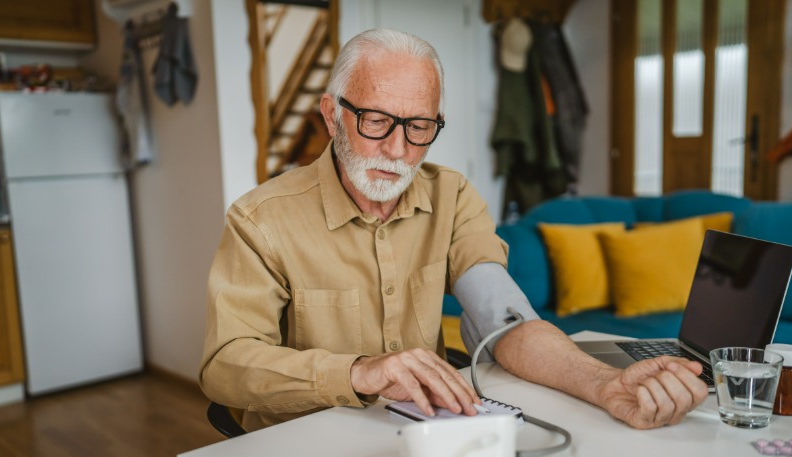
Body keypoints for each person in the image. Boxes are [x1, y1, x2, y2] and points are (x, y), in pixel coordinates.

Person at [201, 28, 708, 432]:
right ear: (333, 115)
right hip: (300, 447)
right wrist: (360, 372)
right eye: (376, 121)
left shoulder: (452, 195)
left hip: (425, 433)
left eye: (419, 127)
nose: (399, 150)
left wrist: (606, 384)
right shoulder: (260, 219)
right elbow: (224, 366)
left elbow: (503, 318)